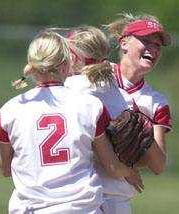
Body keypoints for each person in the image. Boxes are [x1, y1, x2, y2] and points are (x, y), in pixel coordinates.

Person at [0, 30, 142, 214]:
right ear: (66, 64)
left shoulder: (10, 109)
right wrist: (129, 171)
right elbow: (111, 167)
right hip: (81, 208)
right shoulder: (91, 106)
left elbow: (6, 170)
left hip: (31, 209)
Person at [65, 25, 145, 214]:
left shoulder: (66, 90)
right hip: (119, 195)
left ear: (73, 57)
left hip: (78, 198)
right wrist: (129, 169)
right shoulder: (123, 95)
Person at [105, 12, 173, 174]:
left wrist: (144, 129)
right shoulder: (98, 76)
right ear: (124, 43)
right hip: (83, 183)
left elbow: (158, 166)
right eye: (146, 41)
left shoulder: (156, 102)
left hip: (118, 193)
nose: (153, 48)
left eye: (158, 45)